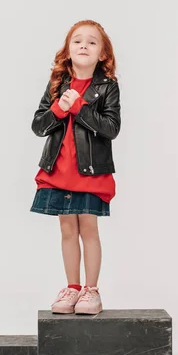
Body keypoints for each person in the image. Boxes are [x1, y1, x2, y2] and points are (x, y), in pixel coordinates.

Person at [30, 20, 121, 315]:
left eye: (92, 42)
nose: (84, 45)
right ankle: (72, 287)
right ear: (68, 50)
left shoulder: (108, 87)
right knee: (67, 229)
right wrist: (59, 108)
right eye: (77, 41)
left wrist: (80, 108)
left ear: (102, 54)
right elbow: (38, 126)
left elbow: (111, 128)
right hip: (59, 171)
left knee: (89, 229)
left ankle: (91, 291)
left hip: (90, 172)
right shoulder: (57, 84)